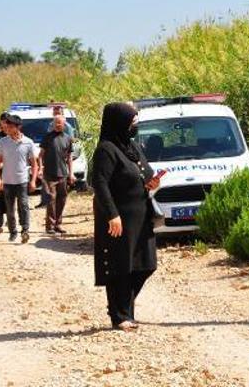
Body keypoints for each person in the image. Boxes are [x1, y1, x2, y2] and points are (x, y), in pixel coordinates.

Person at [92, 103, 161, 331]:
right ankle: (120, 315)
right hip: (119, 218)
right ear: (119, 122)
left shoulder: (130, 147)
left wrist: (152, 183)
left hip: (140, 217)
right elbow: (100, 184)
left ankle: (123, 308)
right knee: (120, 266)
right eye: (132, 122)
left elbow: (142, 175)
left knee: (145, 265)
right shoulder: (106, 149)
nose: (135, 126)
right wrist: (112, 214)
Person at [0, 114, 38, 243]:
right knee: (10, 208)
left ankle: (25, 230)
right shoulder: (3, 142)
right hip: (7, 182)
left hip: (22, 181)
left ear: (18, 127)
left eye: (10, 125)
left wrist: (33, 180)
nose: (7, 127)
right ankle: (13, 231)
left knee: (23, 206)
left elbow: (34, 164)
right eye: (6, 125)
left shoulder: (28, 142)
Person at [40, 115, 75, 234]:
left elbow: (69, 158)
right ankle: (50, 226)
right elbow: (40, 155)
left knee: (62, 199)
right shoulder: (47, 138)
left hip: (63, 174)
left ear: (64, 124)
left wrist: (71, 174)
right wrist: (41, 168)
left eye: (61, 123)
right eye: (57, 123)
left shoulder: (68, 138)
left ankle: (58, 224)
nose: (58, 125)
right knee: (51, 199)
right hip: (49, 174)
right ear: (53, 124)